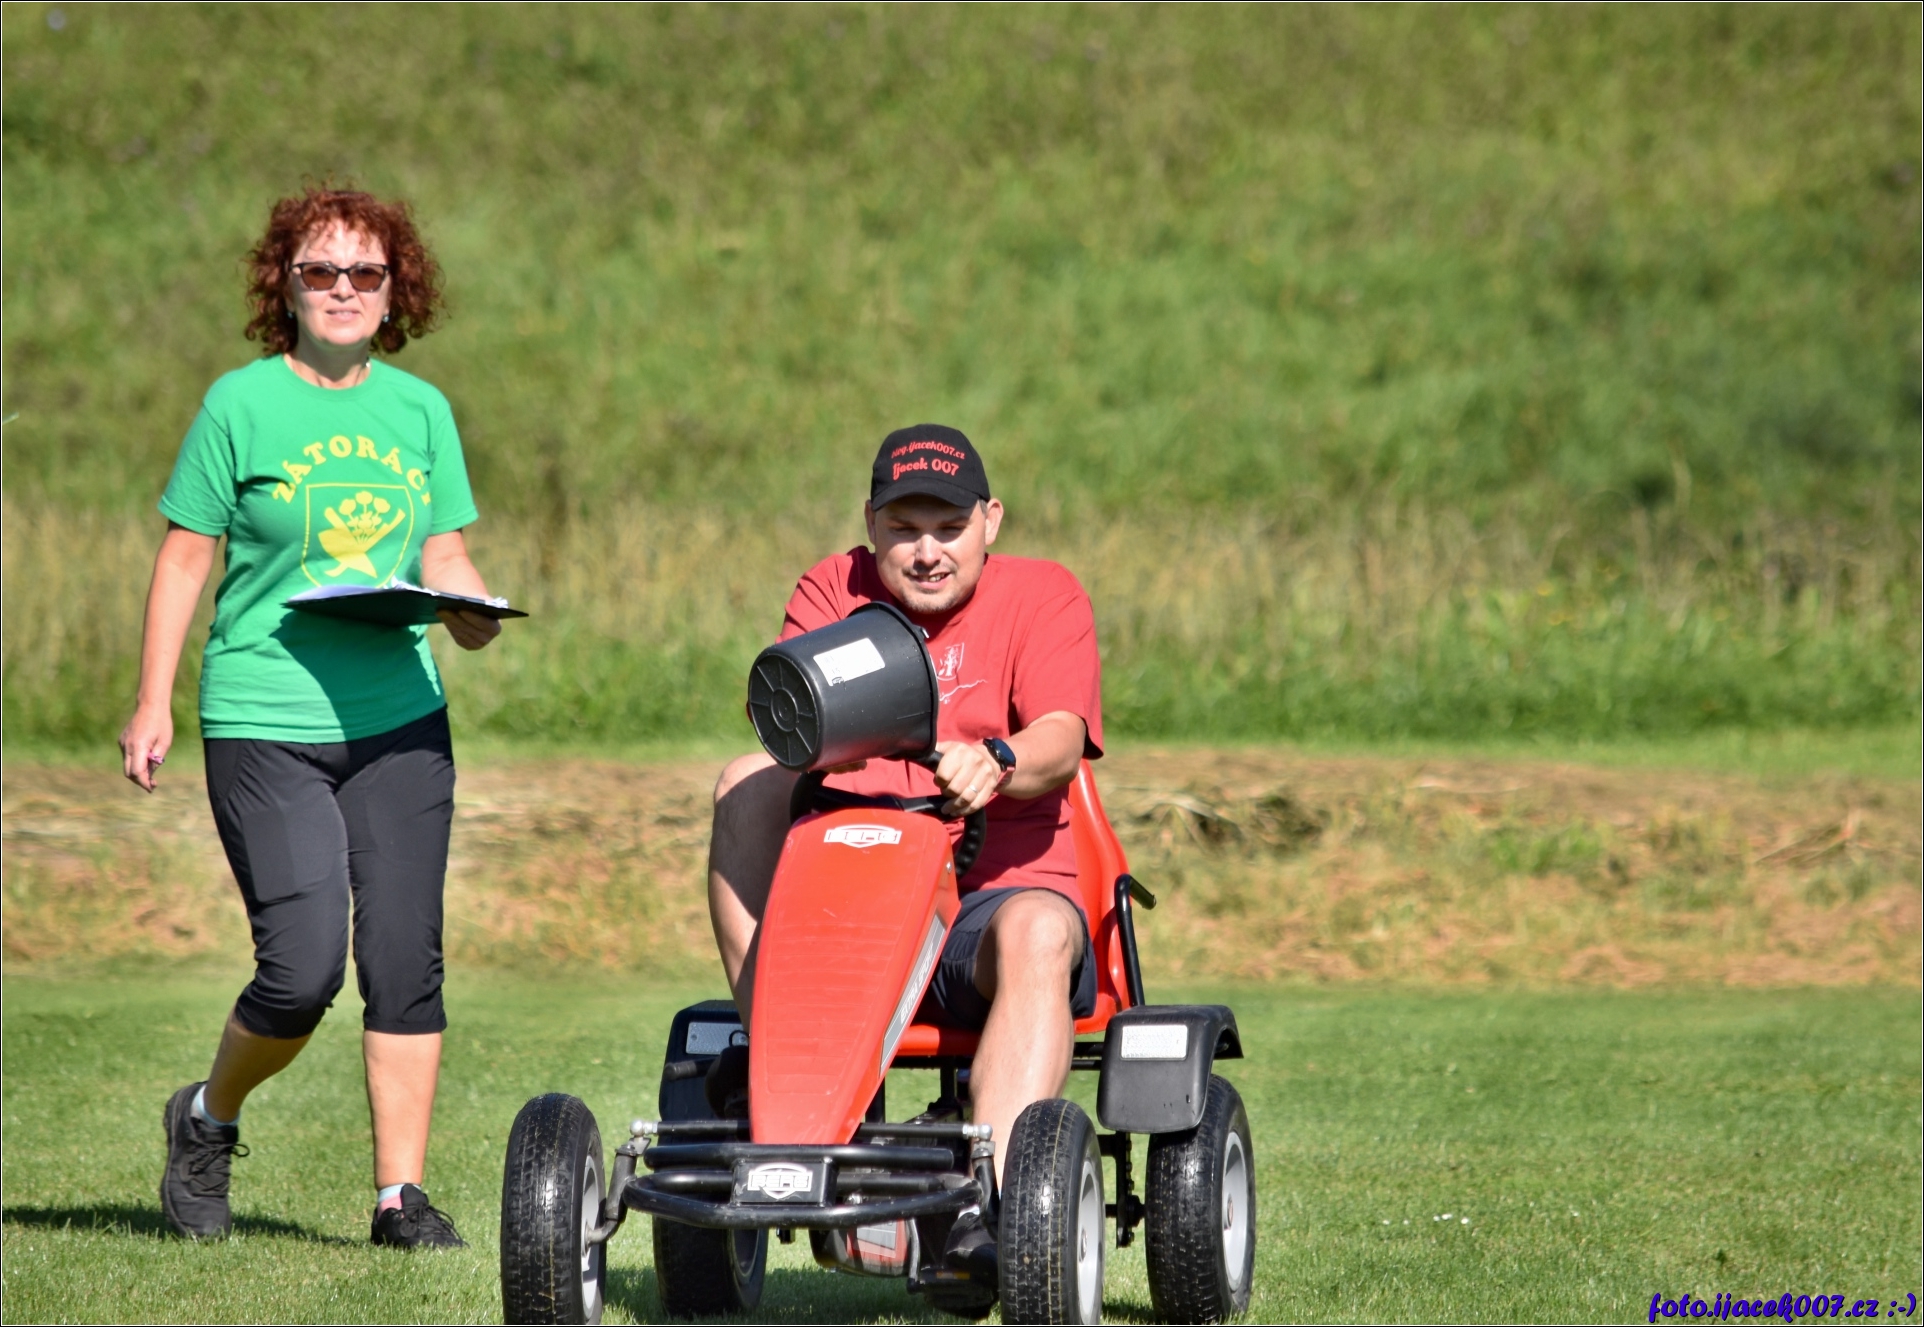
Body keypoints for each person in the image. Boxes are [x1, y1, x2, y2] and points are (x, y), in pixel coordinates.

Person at [118, 186, 502, 1247]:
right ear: (283, 286)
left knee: (404, 956)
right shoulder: (238, 404)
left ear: (394, 290)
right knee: (299, 970)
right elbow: (185, 556)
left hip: (400, 722)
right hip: (264, 715)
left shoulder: (420, 411)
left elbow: (444, 550)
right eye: (319, 271)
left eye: (364, 273)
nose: (342, 289)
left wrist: (471, 607)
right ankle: (208, 1116)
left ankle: (399, 1199)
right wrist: (152, 700)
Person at [705, 423, 1102, 1272]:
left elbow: (1062, 739)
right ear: (871, 524)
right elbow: (788, 720)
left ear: (990, 521)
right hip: (852, 898)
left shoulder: (1044, 595)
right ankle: (784, 1086)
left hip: (989, 908)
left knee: (1039, 928)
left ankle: (992, 1209)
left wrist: (997, 759)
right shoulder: (834, 589)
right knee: (745, 779)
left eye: (949, 528)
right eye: (904, 529)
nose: (927, 552)